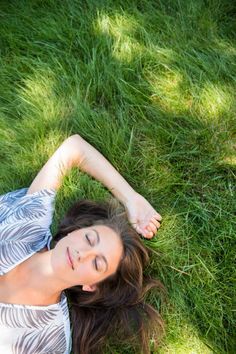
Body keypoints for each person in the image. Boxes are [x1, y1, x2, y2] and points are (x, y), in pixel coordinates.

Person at [0, 134, 164, 354]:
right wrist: (130, 198)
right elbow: (74, 148)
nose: (82, 253)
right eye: (89, 238)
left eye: (97, 263)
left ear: (91, 285)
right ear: (74, 232)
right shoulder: (30, 222)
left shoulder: (49, 338)